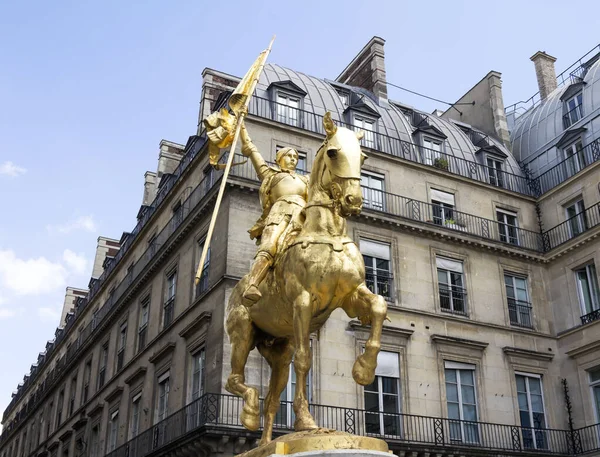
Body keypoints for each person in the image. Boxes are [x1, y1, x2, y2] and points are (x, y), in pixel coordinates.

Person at [239, 121, 308, 305]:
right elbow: (252, 150)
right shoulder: (271, 175)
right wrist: (242, 127)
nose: (293, 159)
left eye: (296, 156)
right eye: (289, 155)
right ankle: (253, 284)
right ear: (279, 158)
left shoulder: (304, 179)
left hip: (303, 216)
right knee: (270, 245)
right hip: (280, 213)